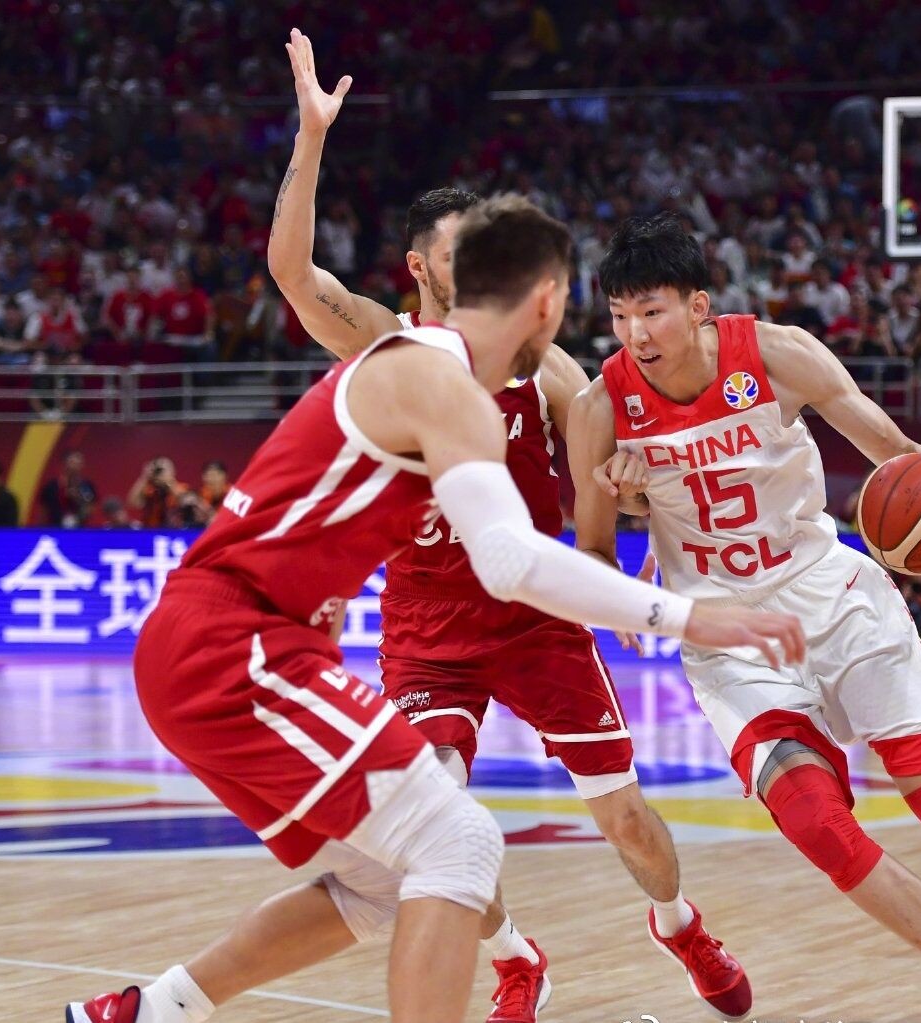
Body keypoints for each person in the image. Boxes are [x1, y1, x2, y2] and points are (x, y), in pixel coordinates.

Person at [68, 194, 803, 1023]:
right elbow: (513, 557)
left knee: (383, 880)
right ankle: (513, 960)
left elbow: (502, 545)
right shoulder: (426, 368)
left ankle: (152, 1008)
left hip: (258, 637)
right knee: (457, 838)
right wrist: (687, 616)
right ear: (546, 300)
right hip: (250, 639)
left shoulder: (475, 376)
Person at [258, 30, 754, 1022]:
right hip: (428, 622)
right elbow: (294, 276)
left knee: (627, 823)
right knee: (431, 826)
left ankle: (679, 922)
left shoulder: (543, 364)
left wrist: (622, 482)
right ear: (422, 269)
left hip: (533, 616)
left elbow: (613, 474)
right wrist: (312, 139)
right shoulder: (385, 344)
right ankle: (517, 958)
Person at [569, 212, 921, 1023]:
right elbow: (595, 557)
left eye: (653, 311)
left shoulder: (777, 354)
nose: (635, 332)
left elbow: (894, 451)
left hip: (830, 593)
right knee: (819, 825)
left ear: (700, 305)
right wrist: (624, 505)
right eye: (619, 315)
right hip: (729, 638)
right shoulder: (599, 410)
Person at [39, 449, 97, 527]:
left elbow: (90, 508)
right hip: (55, 530)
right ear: (64, 464)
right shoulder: (51, 487)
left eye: (79, 463)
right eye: (73, 462)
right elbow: (44, 512)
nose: (76, 466)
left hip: (79, 530)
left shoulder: (86, 486)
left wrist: (78, 499)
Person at [127, 456, 189, 529]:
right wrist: (144, 476)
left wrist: (168, 482)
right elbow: (133, 502)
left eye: (163, 470)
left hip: (175, 531)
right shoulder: (149, 490)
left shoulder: (182, 487)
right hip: (150, 531)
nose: (160, 473)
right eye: (158, 470)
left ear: (173, 471)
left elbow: (184, 502)